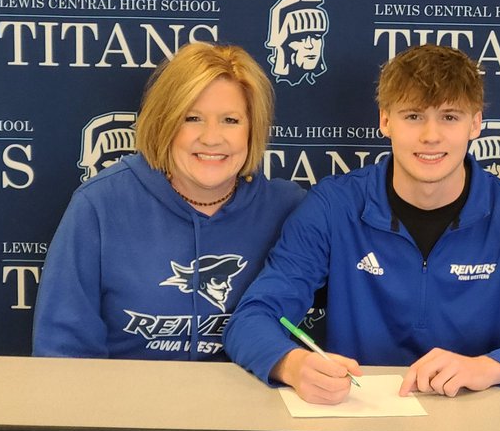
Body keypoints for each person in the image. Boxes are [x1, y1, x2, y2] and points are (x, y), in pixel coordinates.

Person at [224, 44, 500, 403]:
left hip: (478, 426)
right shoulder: (333, 206)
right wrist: (290, 364)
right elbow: (252, 318)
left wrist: (491, 367)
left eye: (449, 116)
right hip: (355, 419)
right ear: (385, 121)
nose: (431, 136)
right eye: (413, 116)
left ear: (475, 124)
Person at [33, 43, 304, 360]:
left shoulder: (290, 209)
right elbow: (63, 351)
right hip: (127, 406)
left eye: (231, 120)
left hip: (250, 405)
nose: (212, 137)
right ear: (165, 123)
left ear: (252, 129)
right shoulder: (99, 206)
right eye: (192, 118)